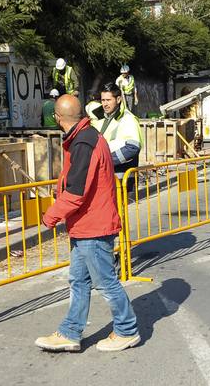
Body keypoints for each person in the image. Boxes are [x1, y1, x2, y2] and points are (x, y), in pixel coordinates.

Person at [36, 94, 139, 353]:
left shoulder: (84, 142)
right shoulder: (86, 136)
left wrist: (51, 215)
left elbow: (76, 191)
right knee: (79, 281)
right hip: (86, 225)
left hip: (93, 226)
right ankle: (70, 332)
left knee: (105, 282)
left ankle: (127, 329)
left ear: (58, 118)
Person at [91, 83, 143, 177]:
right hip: (106, 177)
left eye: (108, 100)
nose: (105, 104)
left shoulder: (128, 119)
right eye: (103, 100)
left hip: (122, 179)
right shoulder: (100, 119)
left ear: (118, 99)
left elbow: (133, 148)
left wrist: (106, 161)